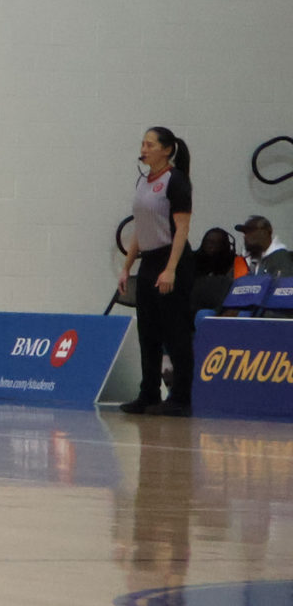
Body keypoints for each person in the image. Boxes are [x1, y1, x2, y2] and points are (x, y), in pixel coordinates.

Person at [120, 126, 194, 417]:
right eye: (143, 143)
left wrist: (171, 270)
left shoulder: (176, 181)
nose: (145, 148)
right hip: (149, 261)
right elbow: (141, 227)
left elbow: (182, 229)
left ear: (167, 150)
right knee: (147, 332)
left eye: (151, 144)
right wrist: (127, 267)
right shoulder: (143, 181)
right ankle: (148, 393)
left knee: (175, 332)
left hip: (172, 259)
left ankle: (181, 397)